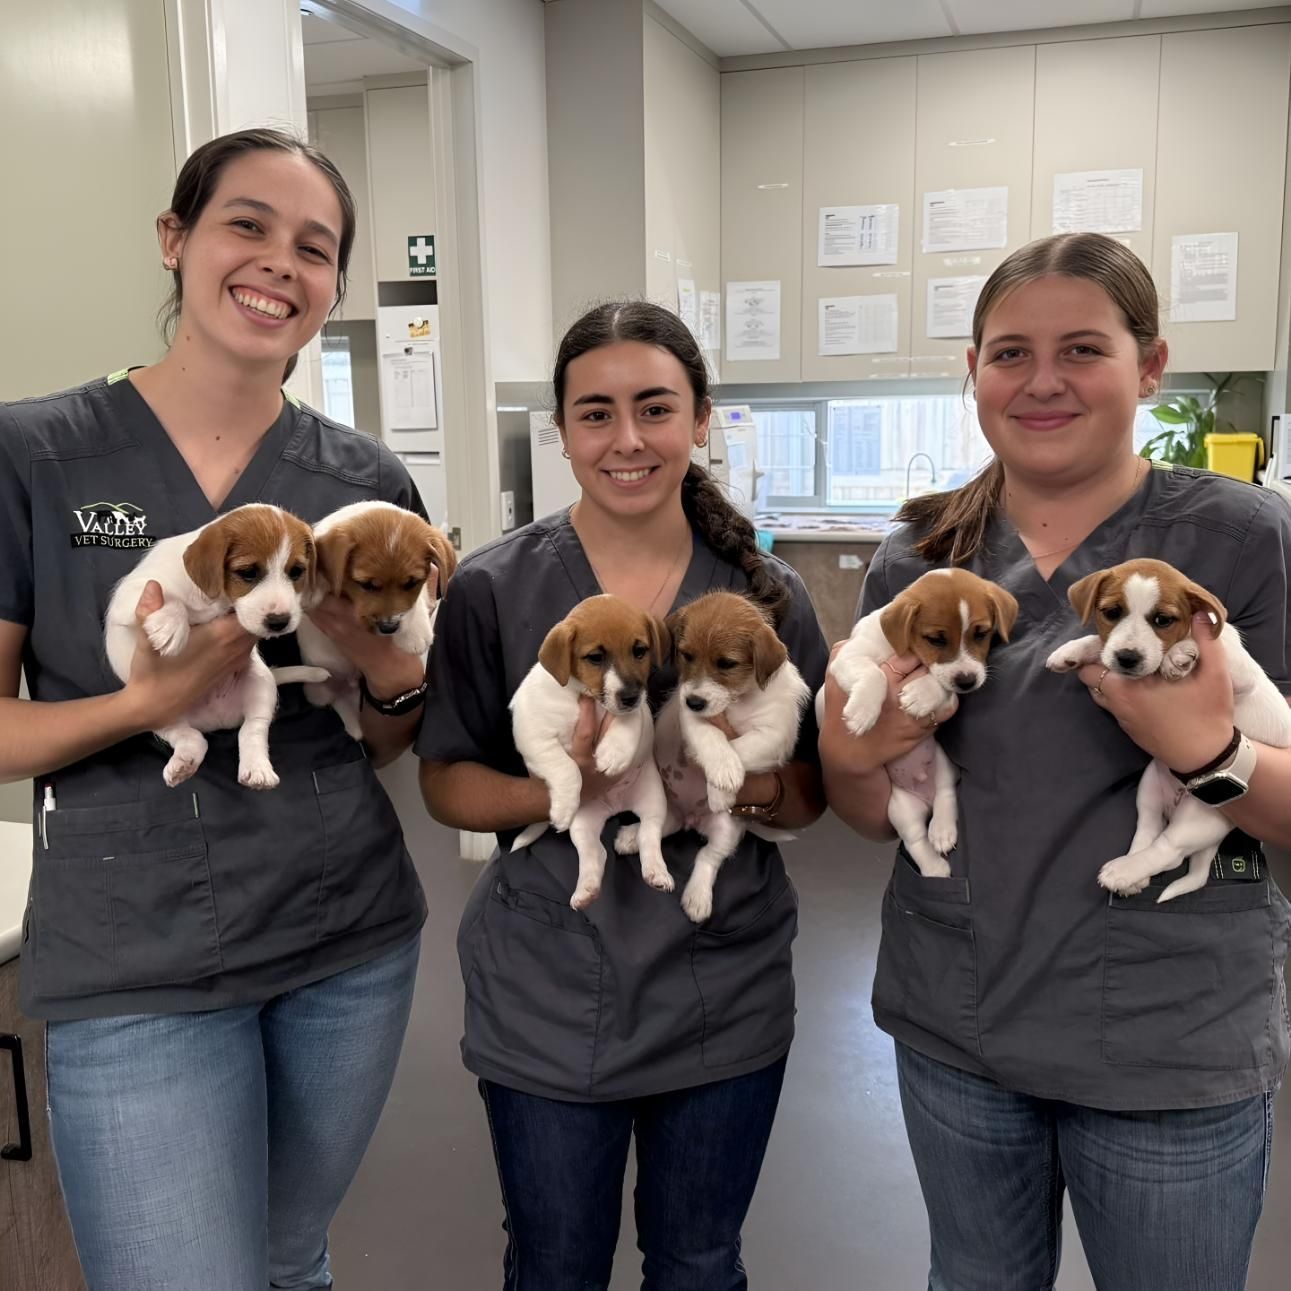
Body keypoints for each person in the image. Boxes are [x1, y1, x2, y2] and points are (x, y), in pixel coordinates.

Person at [0, 128, 431, 1288]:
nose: (279, 264)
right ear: (175, 240)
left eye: (315, 246)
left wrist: (390, 671)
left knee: (291, 1257)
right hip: (131, 952)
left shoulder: (365, 486)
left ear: (334, 285)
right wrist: (153, 700)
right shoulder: (33, 454)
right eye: (247, 225)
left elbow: (385, 735)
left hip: (345, 932)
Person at [819, 232, 1291, 1290]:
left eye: (1082, 348)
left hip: (1171, 1036)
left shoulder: (1245, 540)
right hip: (958, 1019)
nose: (1040, 382)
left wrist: (1209, 752)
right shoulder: (918, 558)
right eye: (1007, 354)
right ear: (972, 373)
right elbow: (861, 810)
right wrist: (853, 754)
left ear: (1150, 365)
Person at [418, 300, 829, 1290]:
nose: (628, 438)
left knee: (697, 1260)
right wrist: (571, 790)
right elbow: (445, 782)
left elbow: (810, 793)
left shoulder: (765, 596)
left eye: (655, 407)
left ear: (699, 419)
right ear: (561, 432)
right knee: (556, 1262)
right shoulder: (494, 587)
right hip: (548, 988)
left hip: (720, 982)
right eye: (595, 413)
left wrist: (738, 787)